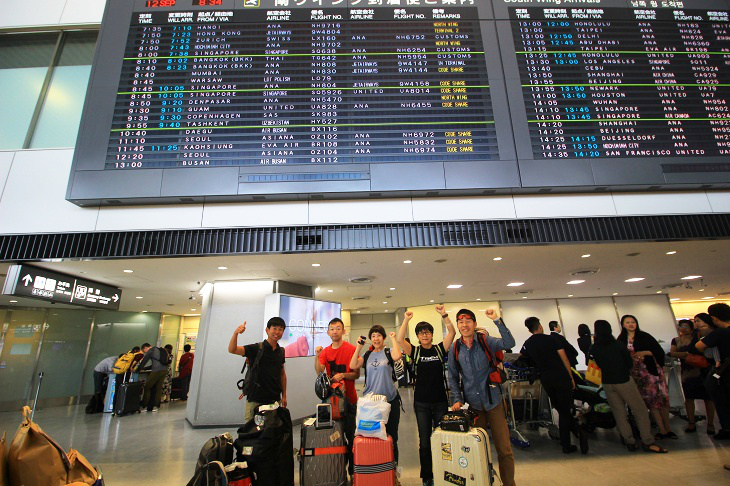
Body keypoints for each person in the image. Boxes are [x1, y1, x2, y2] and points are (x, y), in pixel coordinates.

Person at [448, 308, 516, 486]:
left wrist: (497, 320)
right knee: (478, 450)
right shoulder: (455, 348)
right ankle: (483, 481)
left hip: (494, 402)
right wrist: (456, 398)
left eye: (468, 321)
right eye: (461, 322)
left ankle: (509, 483)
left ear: (474, 324)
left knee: (504, 449)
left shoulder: (486, 341)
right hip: (473, 406)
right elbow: (453, 376)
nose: (464, 325)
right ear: (458, 325)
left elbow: (509, 342)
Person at [397, 305, 456, 486]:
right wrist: (406, 319)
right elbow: (400, 339)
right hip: (421, 403)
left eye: (427, 332)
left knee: (442, 439)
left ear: (431, 334)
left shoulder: (439, 349)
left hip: (440, 402)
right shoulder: (415, 351)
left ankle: (444, 472)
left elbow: (452, 333)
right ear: (417, 336)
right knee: (424, 442)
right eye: (421, 333)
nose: (424, 335)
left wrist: (444, 315)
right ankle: (427, 477)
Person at [590, 320, 667, 453]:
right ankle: (647, 441)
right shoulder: (618, 345)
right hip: (624, 381)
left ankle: (629, 441)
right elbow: (629, 363)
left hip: (608, 383)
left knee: (619, 412)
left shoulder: (595, 347)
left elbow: (597, 365)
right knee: (640, 410)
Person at [521, 317, 587, 454]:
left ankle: (576, 433)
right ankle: (567, 443)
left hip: (546, 379)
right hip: (560, 376)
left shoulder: (528, 343)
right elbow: (564, 358)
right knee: (564, 410)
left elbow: (522, 356)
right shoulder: (551, 339)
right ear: (539, 326)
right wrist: (570, 377)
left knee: (560, 407)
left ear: (529, 329)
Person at [350, 325, 403, 464]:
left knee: (391, 437)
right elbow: (352, 365)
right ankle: (376, 468)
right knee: (371, 437)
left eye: (378, 335)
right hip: (371, 404)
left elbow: (398, 356)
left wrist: (393, 339)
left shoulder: (389, 351)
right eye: (373, 336)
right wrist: (358, 347)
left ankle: (393, 472)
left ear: (383, 337)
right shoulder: (367, 355)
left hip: (389, 401)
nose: (376, 338)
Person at [618, 314, 675, 440]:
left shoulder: (644, 336)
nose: (631, 324)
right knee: (651, 402)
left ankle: (668, 428)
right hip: (637, 374)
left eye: (633, 322)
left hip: (652, 371)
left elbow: (658, 351)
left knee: (662, 399)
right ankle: (661, 429)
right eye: (627, 322)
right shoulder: (621, 339)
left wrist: (645, 353)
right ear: (623, 324)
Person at [315, 317, 360, 476]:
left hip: (349, 401)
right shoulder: (325, 352)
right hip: (330, 402)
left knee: (351, 436)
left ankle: (353, 471)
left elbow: (356, 375)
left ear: (343, 331)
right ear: (328, 332)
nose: (335, 331)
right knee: (333, 438)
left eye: (338, 328)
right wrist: (317, 355)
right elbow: (320, 372)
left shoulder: (351, 349)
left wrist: (343, 375)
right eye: (332, 329)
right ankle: (337, 470)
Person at [228, 317, 287, 423]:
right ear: (267, 330)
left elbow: (282, 374)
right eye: (274, 328)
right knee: (253, 435)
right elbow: (233, 349)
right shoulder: (256, 348)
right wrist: (236, 333)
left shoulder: (281, 351)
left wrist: (284, 396)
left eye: (280, 329)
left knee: (271, 433)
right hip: (256, 400)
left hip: (274, 400)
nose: (277, 332)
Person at [669, 318, 715, 434]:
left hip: (703, 370)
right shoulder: (676, 340)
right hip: (687, 372)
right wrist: (688, 354)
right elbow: (672, 353)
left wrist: (684, 355)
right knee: (689, 398)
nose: (683, 328)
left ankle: (710, 424)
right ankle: (691, 422)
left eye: (685, 326)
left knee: (708, 398)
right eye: (681, 326)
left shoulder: (698, 337)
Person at [696, 303, 730, 440]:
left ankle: (727, 428)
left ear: (714, 318)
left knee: (723, 401)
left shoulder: (720, 332)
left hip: (724, 372)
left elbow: (699, 346)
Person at [138, 344, 171, 412]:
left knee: (147, 386)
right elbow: (156, 362)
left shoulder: (151, 350)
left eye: (144, 351)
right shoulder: (161, 349)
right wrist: (145, 368)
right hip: (164, 370)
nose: (145, 352)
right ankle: (156, 406)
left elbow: (144, 361)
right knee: (158, 387)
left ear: (146, 348)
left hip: (156, 370)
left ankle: (145, 405)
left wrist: (138, 369)